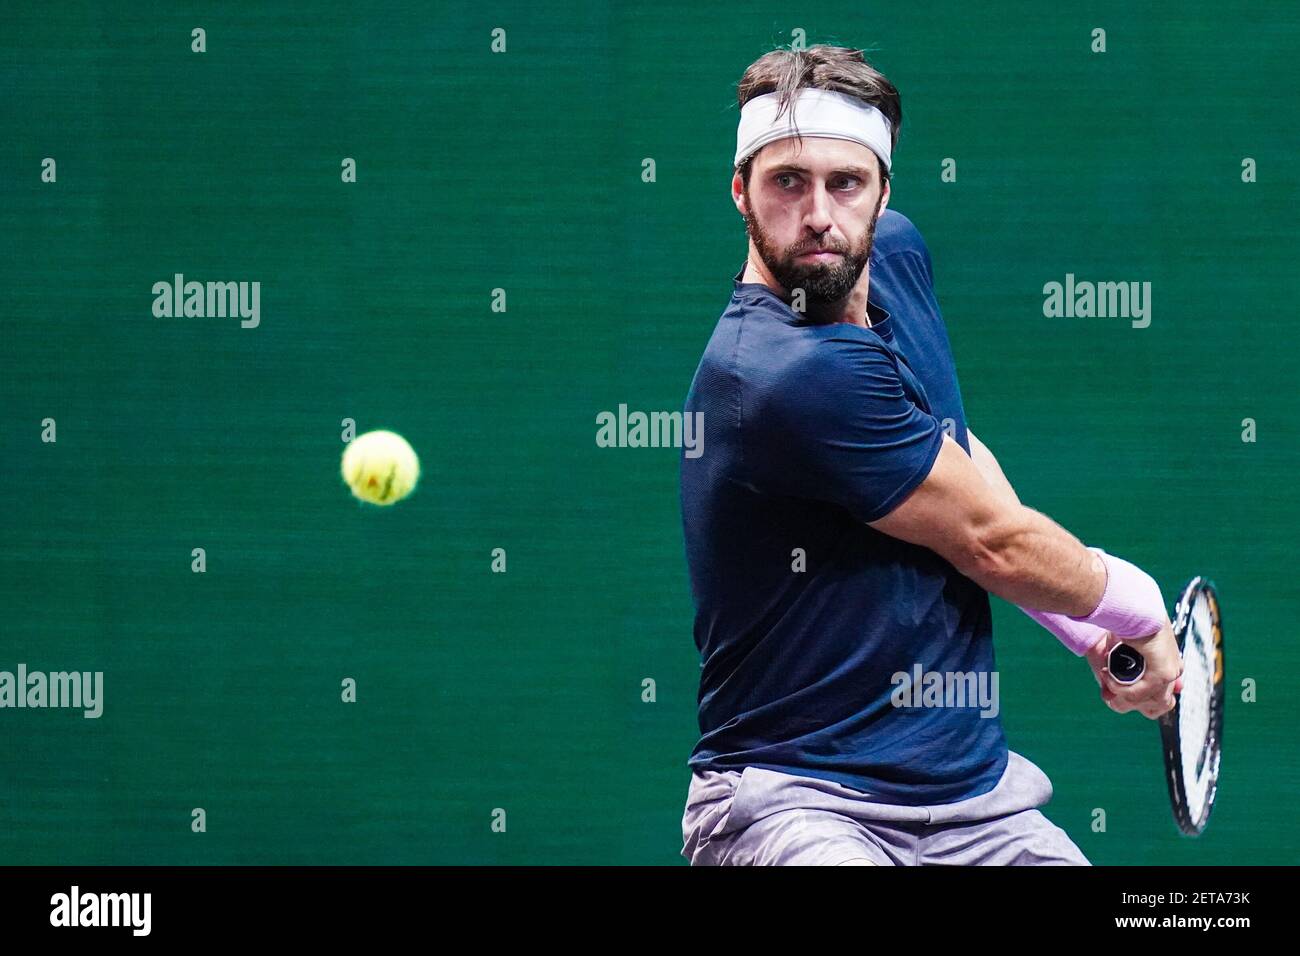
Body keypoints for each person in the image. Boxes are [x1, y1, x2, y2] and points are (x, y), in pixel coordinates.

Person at [678, 44, 1183, 866]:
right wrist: (1133, 604)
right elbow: (991, 540)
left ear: (883, 192)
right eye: (786, 182)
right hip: (794, 802)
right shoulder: (782, 372)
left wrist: (1085, 628)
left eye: (846, 183)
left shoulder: (896, 258)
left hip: (976, 801)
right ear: (741, 190)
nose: (818, 215)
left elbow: (953, 463)